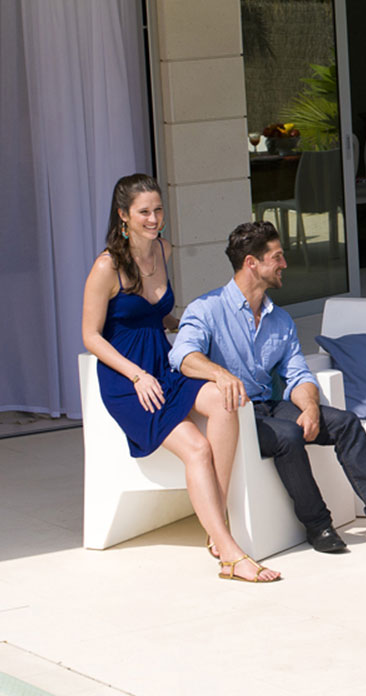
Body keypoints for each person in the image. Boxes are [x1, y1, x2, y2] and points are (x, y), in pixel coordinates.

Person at [81, 174, 278, 582]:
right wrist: (137, 376)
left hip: (162, 365)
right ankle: (228, 551)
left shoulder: (163, 250)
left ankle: (215, 523)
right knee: (197, 449)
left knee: (224, 399)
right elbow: (90, 336)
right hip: (129, 381)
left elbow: (152, 312)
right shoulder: (107, 266)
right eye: (144, 212)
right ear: (123, 215)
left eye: (158, 210)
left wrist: (183, 322)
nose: (154, 219)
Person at [169, 221, 366, 554]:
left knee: (346, 422)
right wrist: (220, 375)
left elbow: (297, 374)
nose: (285, 264)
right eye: (277, 257)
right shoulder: (207, 308)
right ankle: (318, 526)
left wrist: (310, 408)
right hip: (233, 415)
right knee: (287, 434)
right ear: (252, 263)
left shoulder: (279, 319)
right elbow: (182, 356)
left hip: (270, 405)